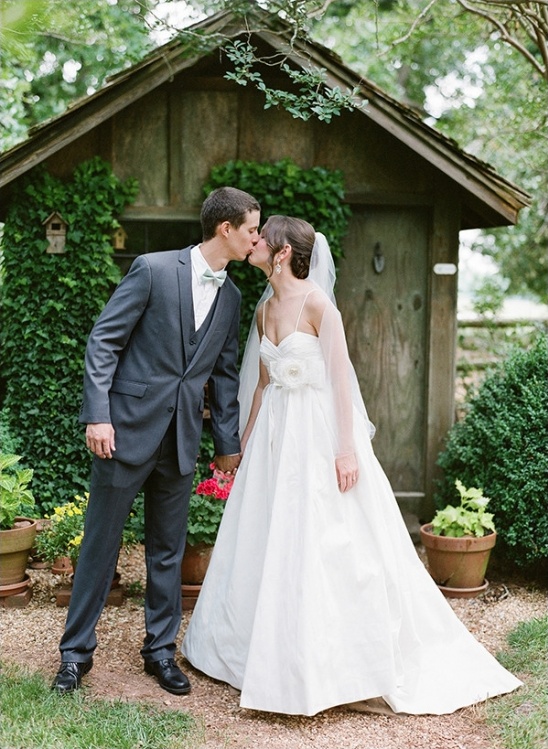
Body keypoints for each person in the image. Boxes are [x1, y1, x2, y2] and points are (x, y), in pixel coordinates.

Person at [181, 215, 522, 716]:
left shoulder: (319, 305)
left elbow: (341, 381)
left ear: (280, 254)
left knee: (328, 537)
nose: (253, 242)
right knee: (265, 534)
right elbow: (260, 387)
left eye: (262, 238)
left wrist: (345, 450)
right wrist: (244, 447)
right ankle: (255, 649)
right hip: (276, 437)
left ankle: (335, 660)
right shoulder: (263, 311)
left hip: (317, 435)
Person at [51, 186, 261, 696]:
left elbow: (226, 376)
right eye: (253, 229)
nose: (257, 239)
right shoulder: (152, 268)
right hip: (123, 432)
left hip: (182, 438)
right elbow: (105, 340)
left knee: (167, 552)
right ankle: (75, 655)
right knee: (100, 546)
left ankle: (160, 652)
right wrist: (98, 415)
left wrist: (226, 445)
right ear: (225, 228)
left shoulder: (231, 296)